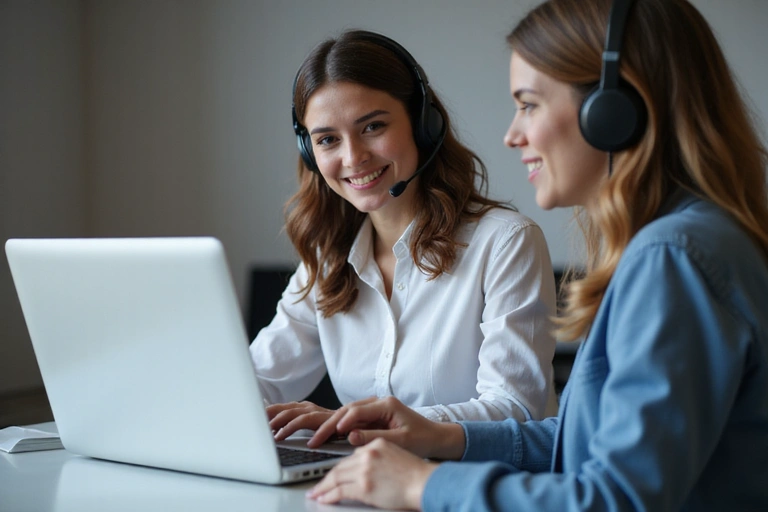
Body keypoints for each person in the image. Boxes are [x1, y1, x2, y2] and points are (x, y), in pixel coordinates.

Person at [306, 0, 768, 510]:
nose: (512, 134)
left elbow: (617, 499)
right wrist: (439, 436)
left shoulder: (674, 258)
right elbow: (582, 444)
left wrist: (421, 486)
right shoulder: (682, 243)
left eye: (528, 104)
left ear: (614, 111)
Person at [250, 29, 559, 440]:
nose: (353, 157)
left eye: (373, 126)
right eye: (327, 139)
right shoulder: (327, 261)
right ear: (310, 152)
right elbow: (256, 381)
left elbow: (515, 409)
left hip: (475, 491)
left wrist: (366, 423)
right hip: (371, 489)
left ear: (422, 123)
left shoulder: (505, 242)